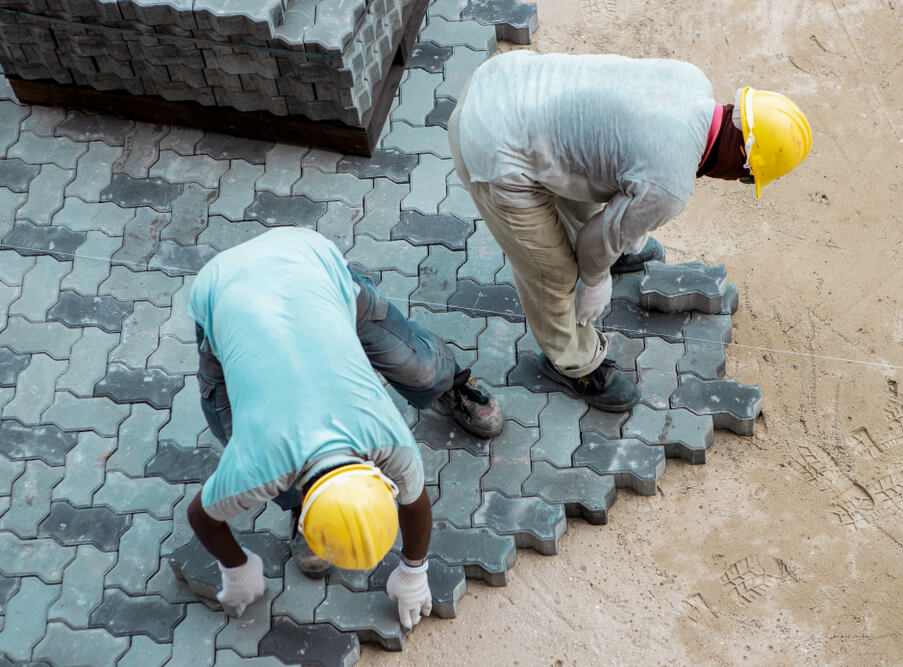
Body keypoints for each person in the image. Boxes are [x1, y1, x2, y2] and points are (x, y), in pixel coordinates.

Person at [448, 51, 812, 412]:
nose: (736, 180)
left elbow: (613, 151)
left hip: (504, 79)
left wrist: (627, 229)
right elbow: (595, 242)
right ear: (741, 156)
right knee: (554, 273)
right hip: (489, 145)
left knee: (590, 175)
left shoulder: (691, 77)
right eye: (746, 176)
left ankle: (616, 250)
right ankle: (573, 363)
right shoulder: (670, 185)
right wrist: (593, 279)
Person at [184, 227, 503, 629]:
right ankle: (297, 503)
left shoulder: (389, 439)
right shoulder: (256, 464)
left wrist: (413, 570)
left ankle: (451, 382)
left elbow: (415, 500)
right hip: (226, 287)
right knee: (229, 420)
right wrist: (235, 568)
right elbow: (201, 516)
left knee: (421, 369)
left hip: (314, 272)